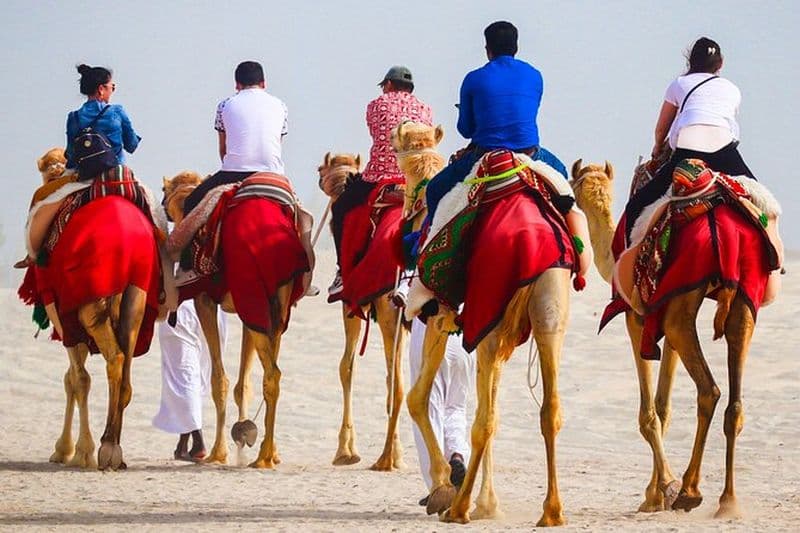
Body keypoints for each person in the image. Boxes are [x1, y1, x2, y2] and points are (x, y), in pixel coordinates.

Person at [425, 21, 568, 220]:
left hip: (485, 156)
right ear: (516, 47)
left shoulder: (473, 78)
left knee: (434, 189)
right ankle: (574, 244)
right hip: (530, 154)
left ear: (487, 49)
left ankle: (429, 246)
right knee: (563, 176)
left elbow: (466, 130)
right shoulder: (535, 76)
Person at [624, 37, 757, 241]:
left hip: (687, 150)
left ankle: (629, 260)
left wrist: (657, 148)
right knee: (759, 198)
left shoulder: (679, 84)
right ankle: (773, 256)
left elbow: (662, 129)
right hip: (724, 151)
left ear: (690, 61)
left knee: (636, 205)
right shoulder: (732, 89)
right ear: (720, 63)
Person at [327, 66, 433, 297]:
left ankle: (342, 272)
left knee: (341, 209)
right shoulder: (426, 109)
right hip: (416, 178)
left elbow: (376, 133)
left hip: (380, 177)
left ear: (388, 85)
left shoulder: (377, 104)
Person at [183, 61, 288, 215]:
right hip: (273, 174)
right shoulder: (281, 106)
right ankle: (305, 240)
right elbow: (277, 145)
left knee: (190, 203)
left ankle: (181, 240)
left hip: (233, 173)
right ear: (263, 83)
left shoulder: (224, 106)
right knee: (301, 216)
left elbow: (223, 149)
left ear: (237, 85)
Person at [407, 317, 475, 506]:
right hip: (466, 335)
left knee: (429, 408)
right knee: (457, 407)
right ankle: (457, 454)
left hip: (431, 330)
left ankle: (439, 484)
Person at [152, 300, 227, 461]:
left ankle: (198, 440)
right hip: (214, 312)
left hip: (180, 311)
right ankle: (183, 444)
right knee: (196, 377)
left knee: (184, 379)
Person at [64, 64, 141, 172]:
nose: (112, 90)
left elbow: (71, 154)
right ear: (101, 89)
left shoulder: (74, 117)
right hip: (117, 173)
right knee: (143, 189)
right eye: (112, 87)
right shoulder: (117, 111)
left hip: (85, 174)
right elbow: (131, 145)